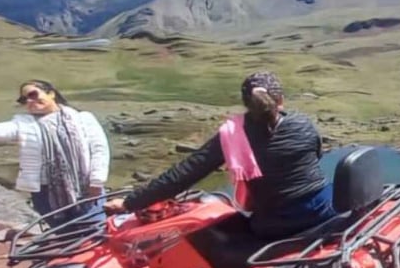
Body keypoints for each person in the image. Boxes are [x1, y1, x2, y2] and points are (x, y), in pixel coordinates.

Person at [105, 72, 336, 239]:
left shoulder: (234, 134)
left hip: (276, 223)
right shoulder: (303, 122)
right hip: (323, 207)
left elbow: (183, 174)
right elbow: (315, 158)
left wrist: (129, 203)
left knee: (204, 239)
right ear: (281, 100)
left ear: (247, 104)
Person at [0, 80, 111, 227]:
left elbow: (99, 150)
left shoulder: (83, 119)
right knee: (63, 236)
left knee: (96, 229)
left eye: (33, 94)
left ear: (51, 93)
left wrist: (97, 181)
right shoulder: (24, 125)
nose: (30, 100)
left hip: (86, 187)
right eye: (24, 99)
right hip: (46, 193)